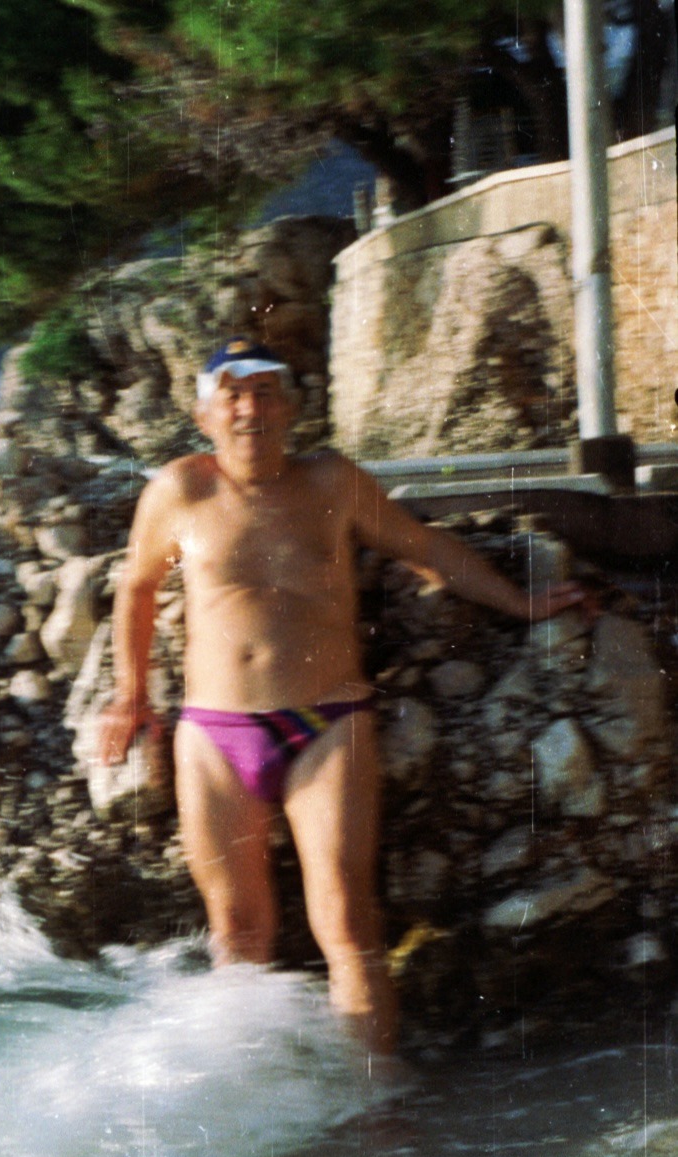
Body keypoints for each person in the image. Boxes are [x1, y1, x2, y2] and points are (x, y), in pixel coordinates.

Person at [96, 339, 584, 1055]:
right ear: (204, 414)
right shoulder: (178, 490)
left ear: (293, 406)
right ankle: (256, 1102)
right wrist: (127, 694)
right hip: (212, 734)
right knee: (236, 930)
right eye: (231, 393)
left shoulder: (331, 481)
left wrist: (520, 603)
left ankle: (378, 1108)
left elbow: (424, 547)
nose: (249, 406)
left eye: (266, 390)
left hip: (326, 724)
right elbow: (136, 587)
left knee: (347, 921)